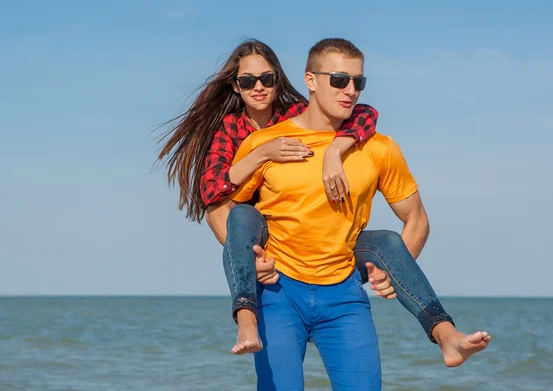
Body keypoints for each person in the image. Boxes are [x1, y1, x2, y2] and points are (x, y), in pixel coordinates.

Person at [156, 39, 490, 372]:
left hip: (339, 275)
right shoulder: (236, 133)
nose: (259, 88)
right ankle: (245, 315)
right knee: (242, 213)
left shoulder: (328, 123)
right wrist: (250, 256)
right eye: (248, 81)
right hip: (275, 264)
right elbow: (214, 197)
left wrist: (335, 149)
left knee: (387, 241)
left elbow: (364, 114)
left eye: (357, 82)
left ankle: (445, 333)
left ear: (281, 79)